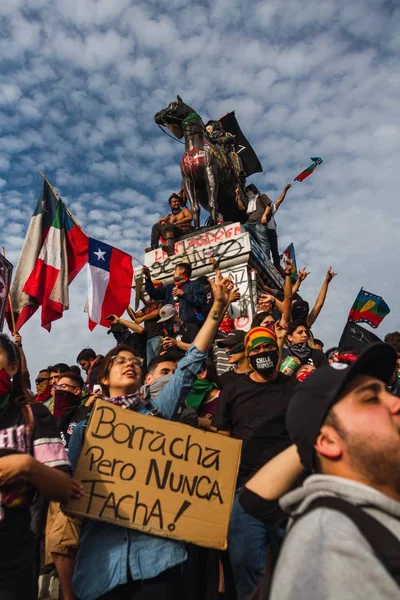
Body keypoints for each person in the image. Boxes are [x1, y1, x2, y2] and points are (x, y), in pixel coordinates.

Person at [68, 271, 235, 600]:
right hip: (101, 565)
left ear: (143, 375)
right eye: (120, 361)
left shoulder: (157, 411)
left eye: (134, 361)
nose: (129, 363)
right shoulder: (86, 429)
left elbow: (190, 365)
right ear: (103, 378)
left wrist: (217, 308)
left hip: (159, 561)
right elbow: (73, 486)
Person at [268, 342, 400, 599]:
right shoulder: (329, 544)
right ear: (328, 441)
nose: (395, 402)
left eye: (387, 391)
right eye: (371, 398)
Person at [212, 326, 295, 599]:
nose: (263, 352)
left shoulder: (295, 389)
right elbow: (223, 441)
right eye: (256, 348)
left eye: (268, 346)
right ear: (248, 353)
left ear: (277, 349)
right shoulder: (233, 391)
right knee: (247, 568)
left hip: (290, 493)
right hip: (244, 493)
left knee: (294, 568)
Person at [0, 334, 74, 600]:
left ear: (13, 367)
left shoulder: (32, 414)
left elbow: (64, 489)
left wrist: (26, 465)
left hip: (11, 554)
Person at [45, 371, 88, 600]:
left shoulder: (86, 413)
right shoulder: (52, 418)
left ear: (77, 391)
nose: (57, 390)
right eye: (56, 386)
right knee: (52, 552)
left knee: (62, 545)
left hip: (73, 486)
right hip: (50, 488)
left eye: (64, 386)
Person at [144, 262, 206, 329]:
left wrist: (184, 294)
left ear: (182, 271)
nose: (173, 273)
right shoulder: (169, 288)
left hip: (190, 326)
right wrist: (148, 277)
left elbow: (201, 301)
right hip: (172, 328)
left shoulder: (194, 285)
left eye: (175, 270)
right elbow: (153, 293)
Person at [265, 183, 291, 271]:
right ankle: (268, 265)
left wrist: (285, 190)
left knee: (274, 252)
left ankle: (275, 267)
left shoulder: (270, 210)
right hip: (265, 231)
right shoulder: (259, 211)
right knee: (268, 250)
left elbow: (279, 200)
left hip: (271, 231)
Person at [243, 184, 272, 259]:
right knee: (240, 229)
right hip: (249, 223)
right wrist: (237, 195)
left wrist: (264, 215)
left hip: (259, 222)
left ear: (252, 190)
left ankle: (266, 260)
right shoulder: (250, 202)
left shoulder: (261, 197)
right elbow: (241, 207)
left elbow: (268, 206)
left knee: (263, 241)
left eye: (248, 191)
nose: (247, 193)